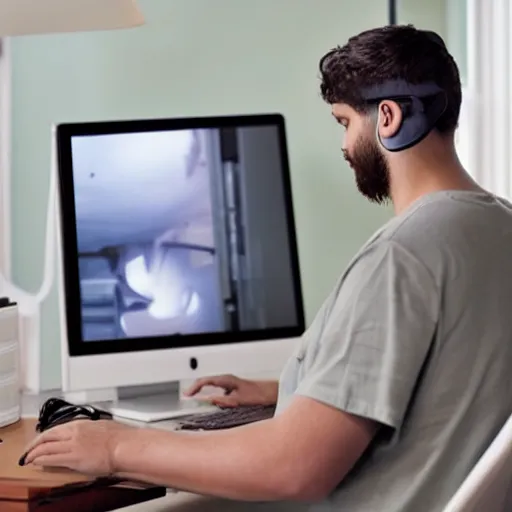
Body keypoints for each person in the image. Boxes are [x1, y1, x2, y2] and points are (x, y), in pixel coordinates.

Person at [21, 25, 512, 511]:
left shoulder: (402, 257)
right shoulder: (497, 230)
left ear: (387, 117)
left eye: (345, 123)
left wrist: (114, 445)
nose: (344, 146)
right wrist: (294, 391)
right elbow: (448, 391)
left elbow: (293, 467)